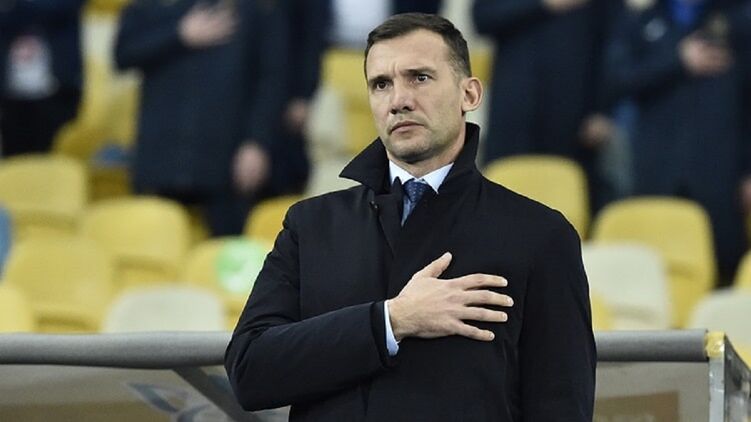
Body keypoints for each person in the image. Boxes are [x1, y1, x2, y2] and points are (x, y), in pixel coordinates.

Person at [225, 13, 595, 421]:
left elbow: (561, 406)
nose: (398, 100)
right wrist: (392, 320)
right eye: (381, 84)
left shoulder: (541, 235)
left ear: (469, 94)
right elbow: (249, 370)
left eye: (419, 77)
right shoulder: (310, 225)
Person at [602, 0, 751, 280]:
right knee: (653, 262)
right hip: (658, 162)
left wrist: (748, 169)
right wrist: (677, 60)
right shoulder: (642, 20)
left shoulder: (736, 20)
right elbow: (617, 80)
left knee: (724, 260)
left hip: (720, 165)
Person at [115, 0, 289, 236]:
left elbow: (272, 80)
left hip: (226, 155)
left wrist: (257, 142)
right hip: (161, 154)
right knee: (151, 243)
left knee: (226, 247)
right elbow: (123, 54)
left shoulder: (255, 8)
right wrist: (179, 34)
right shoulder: (150, 6)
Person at [0, 0, 84, 156]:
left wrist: (15, 6)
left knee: (51, 154)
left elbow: (63, 8)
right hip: (10, 91)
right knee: (14, 157)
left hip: (58, 88)